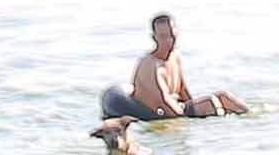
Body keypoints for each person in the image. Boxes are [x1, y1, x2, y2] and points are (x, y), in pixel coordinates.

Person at [95, 12, 250, 132]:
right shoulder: (151, 65)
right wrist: (187, 122)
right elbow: (163, 101)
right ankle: (218, 133)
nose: (169, 40)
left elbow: (182, 90)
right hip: (157, 113)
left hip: (177, 107)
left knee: (223, 96)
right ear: (154, 37)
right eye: (163, 37)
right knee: (210, 102)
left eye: (171, 35)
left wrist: (192, 104)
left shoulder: (175, 57)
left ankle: (250, 122)